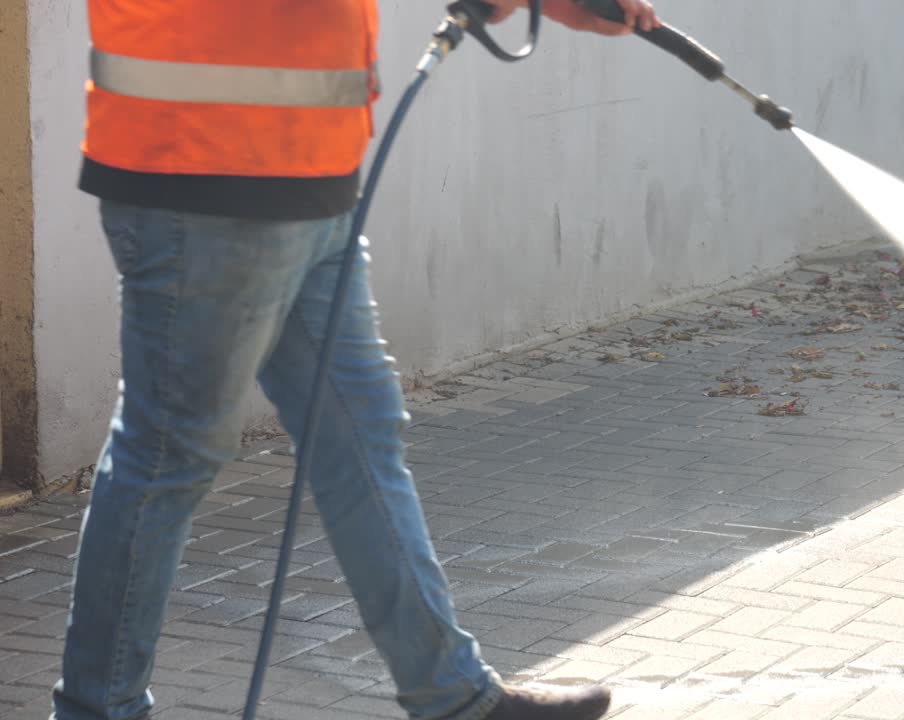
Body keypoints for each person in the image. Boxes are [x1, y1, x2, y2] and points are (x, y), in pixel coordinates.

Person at [54, 1, 659, 719]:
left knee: (360, 435)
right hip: (211, 172)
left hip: (310, 178)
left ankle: (454, 696)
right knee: (166, 456)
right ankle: (97, 710)